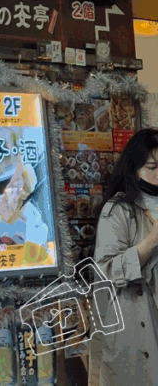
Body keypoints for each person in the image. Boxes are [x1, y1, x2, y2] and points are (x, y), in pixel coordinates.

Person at [92, 128, 158, 384]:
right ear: (134, 169)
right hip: (138, 325)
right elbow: (105, 271)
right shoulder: (118, 210)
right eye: (152, 166)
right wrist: (150, 243)